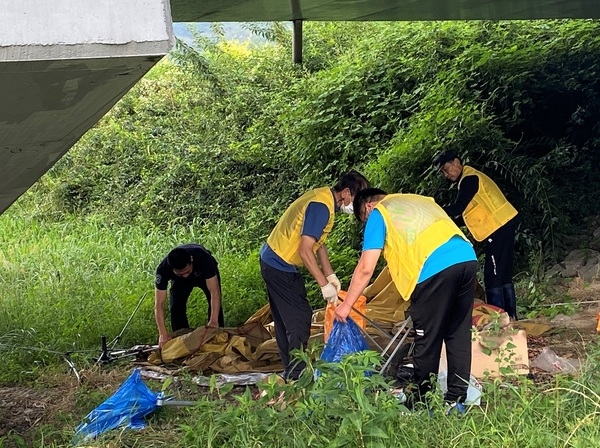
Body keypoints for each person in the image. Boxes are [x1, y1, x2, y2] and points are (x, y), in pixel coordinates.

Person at [334, 188, 477, 407]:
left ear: (368, 206)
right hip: (467, 257)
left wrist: (346, 305)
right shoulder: (419, 201)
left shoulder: (379, 212)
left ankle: (420, 401)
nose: (368, 223)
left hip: (434, 268)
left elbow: (365, 267)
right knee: (457, 332)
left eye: (364, 219)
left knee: (427, 338)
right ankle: (456, 400)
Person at [260, 170, 370, 380]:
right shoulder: (321, 207)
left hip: (272, 258)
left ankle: (291, 372)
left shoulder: (324, 198)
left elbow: (319, 243)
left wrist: (330, 275)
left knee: (286, 320)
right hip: (279, 263)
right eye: (357, 200)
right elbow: (305, 249)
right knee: (299, 319)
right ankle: (297, 375)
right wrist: (323, 285)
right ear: (346, 193)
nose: (355, 207)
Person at [433, 150, 519, 319]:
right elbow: (469, 213)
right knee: (503, 275)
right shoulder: (471, 178)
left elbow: (458, 208)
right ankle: (511, 316)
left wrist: (434, 210)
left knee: (493, 277)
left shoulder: (470, 179)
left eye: (446, 168)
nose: (446, 174)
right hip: (504, 224)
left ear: (457, 162)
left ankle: (498, 321)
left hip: (498, 228)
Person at [154, 243, 224, 348]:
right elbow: (159, 304)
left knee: (213, 303)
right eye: (180, 273)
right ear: (172, 269)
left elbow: (214, 292)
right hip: (179, 282)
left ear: (191, 260)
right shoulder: (163, 270)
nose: (185, 275)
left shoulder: (204, 258)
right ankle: (182, 340)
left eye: (187, 271)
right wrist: (162, 334)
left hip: (202, 274)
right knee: (176, 307)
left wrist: (213, 321)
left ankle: (216, 332)